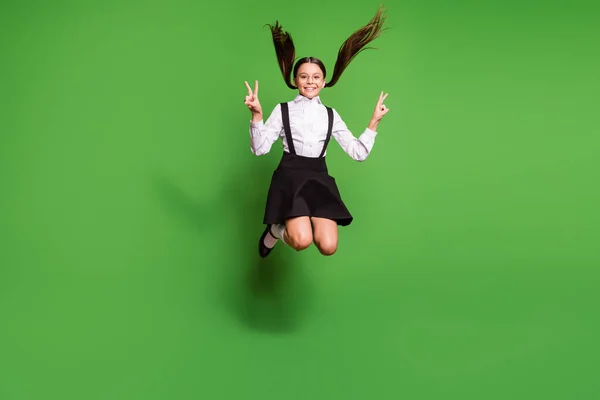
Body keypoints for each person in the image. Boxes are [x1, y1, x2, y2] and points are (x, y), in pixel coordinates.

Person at [244, 6, 390, 258]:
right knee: (300, 240)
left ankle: (286, 228)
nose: (310, 81)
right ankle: (274, 232)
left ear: (324, 81)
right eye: (303, 76)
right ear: (295, 80)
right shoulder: (283, 110)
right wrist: (257, 114)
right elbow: (260, 149)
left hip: (318, 179)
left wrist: (374, 122)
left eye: (316, 76)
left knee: (328, 246)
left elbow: (358, 153)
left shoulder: (331, 115)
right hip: (290, 177)